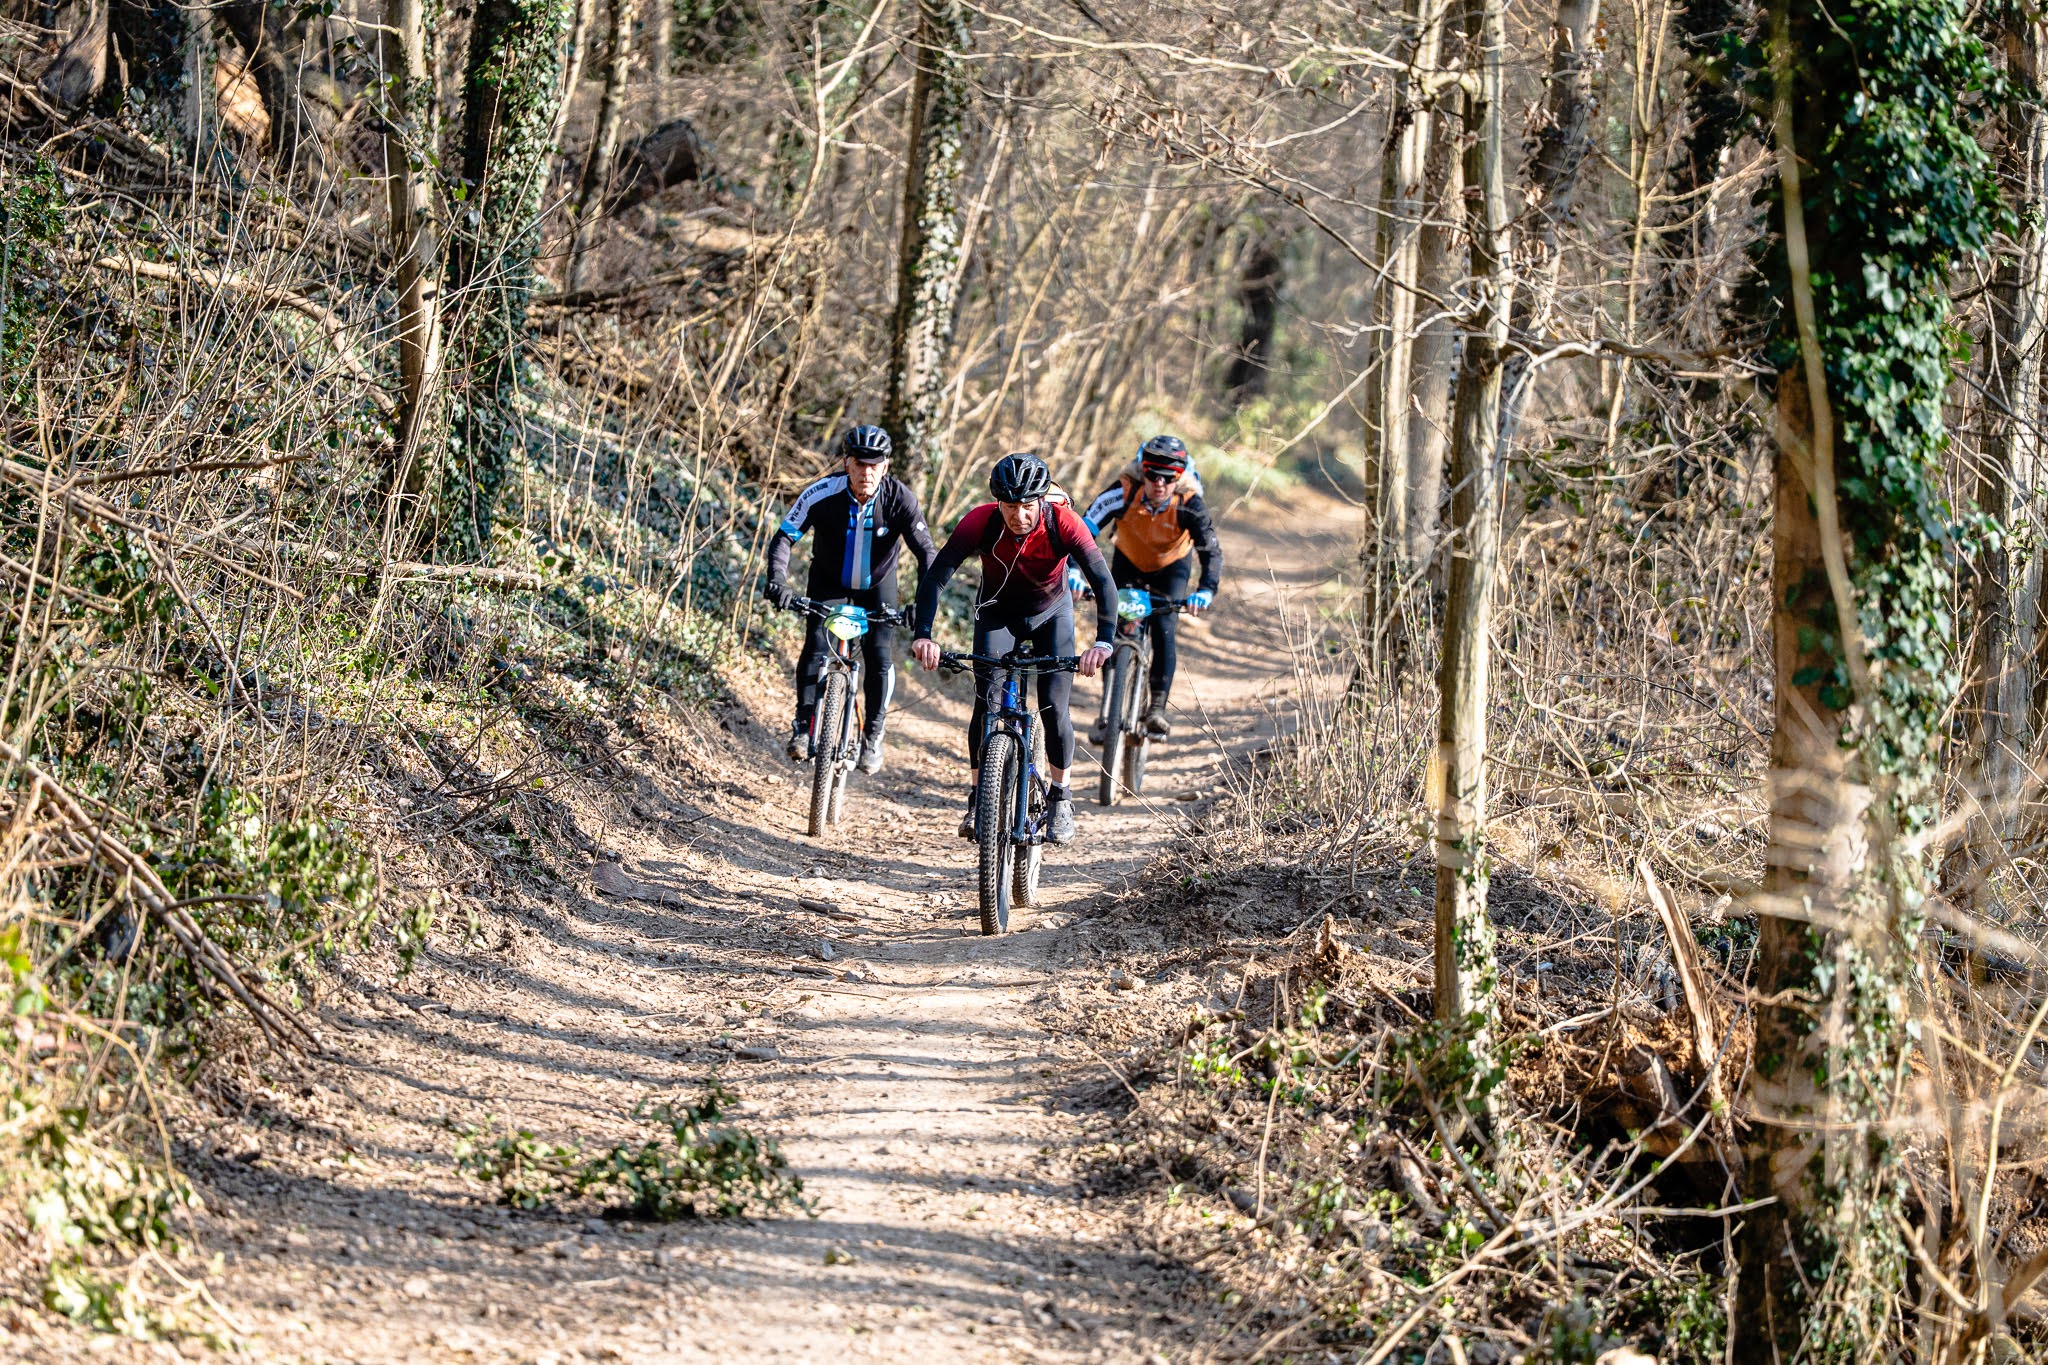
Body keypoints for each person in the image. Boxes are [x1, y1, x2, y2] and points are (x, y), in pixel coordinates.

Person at [911, 453, 1115, 845]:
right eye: (1009, 506)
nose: (1018, 515)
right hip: (997, 613)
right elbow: (937, 576)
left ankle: (1061, 797)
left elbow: (1103, 582)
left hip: (1052, 614)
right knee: (986, 703)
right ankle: (977, 798)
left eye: (1027, 506)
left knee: (1055, 707)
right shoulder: (980, 521)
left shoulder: (1064, 523)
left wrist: (1102, 642)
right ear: (997, 503)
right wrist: (923, 633)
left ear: (1041, 500)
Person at [765, 425, 937, 773]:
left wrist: (924, 605)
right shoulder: (821, 493)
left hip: (878, 586)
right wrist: (777, 581)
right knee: (815, 644)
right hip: (829, 582)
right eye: (860, 463)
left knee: (878, 655)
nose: (867, 472)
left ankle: (872, 735)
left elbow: (928, 555)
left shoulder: (900, 499)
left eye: (875, 464)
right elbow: (784, 538)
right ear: (847, 463)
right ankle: (803, 724)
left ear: (886, 466)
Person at [1077, 434, 1222, 739]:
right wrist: (1073, 572)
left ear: (1178, 478)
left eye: (1168, 478)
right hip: (1128, 561)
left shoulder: (1190, 503)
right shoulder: (1123, 491)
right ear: (1143, 472)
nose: (1159, 484)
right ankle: (1108, 710)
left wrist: (1206, 589)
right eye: (1153, 475)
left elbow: (1210, 550)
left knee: (1164, 626)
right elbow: (1081, 531)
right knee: (1113, 631)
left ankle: (1156, 707)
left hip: (1172, 567)